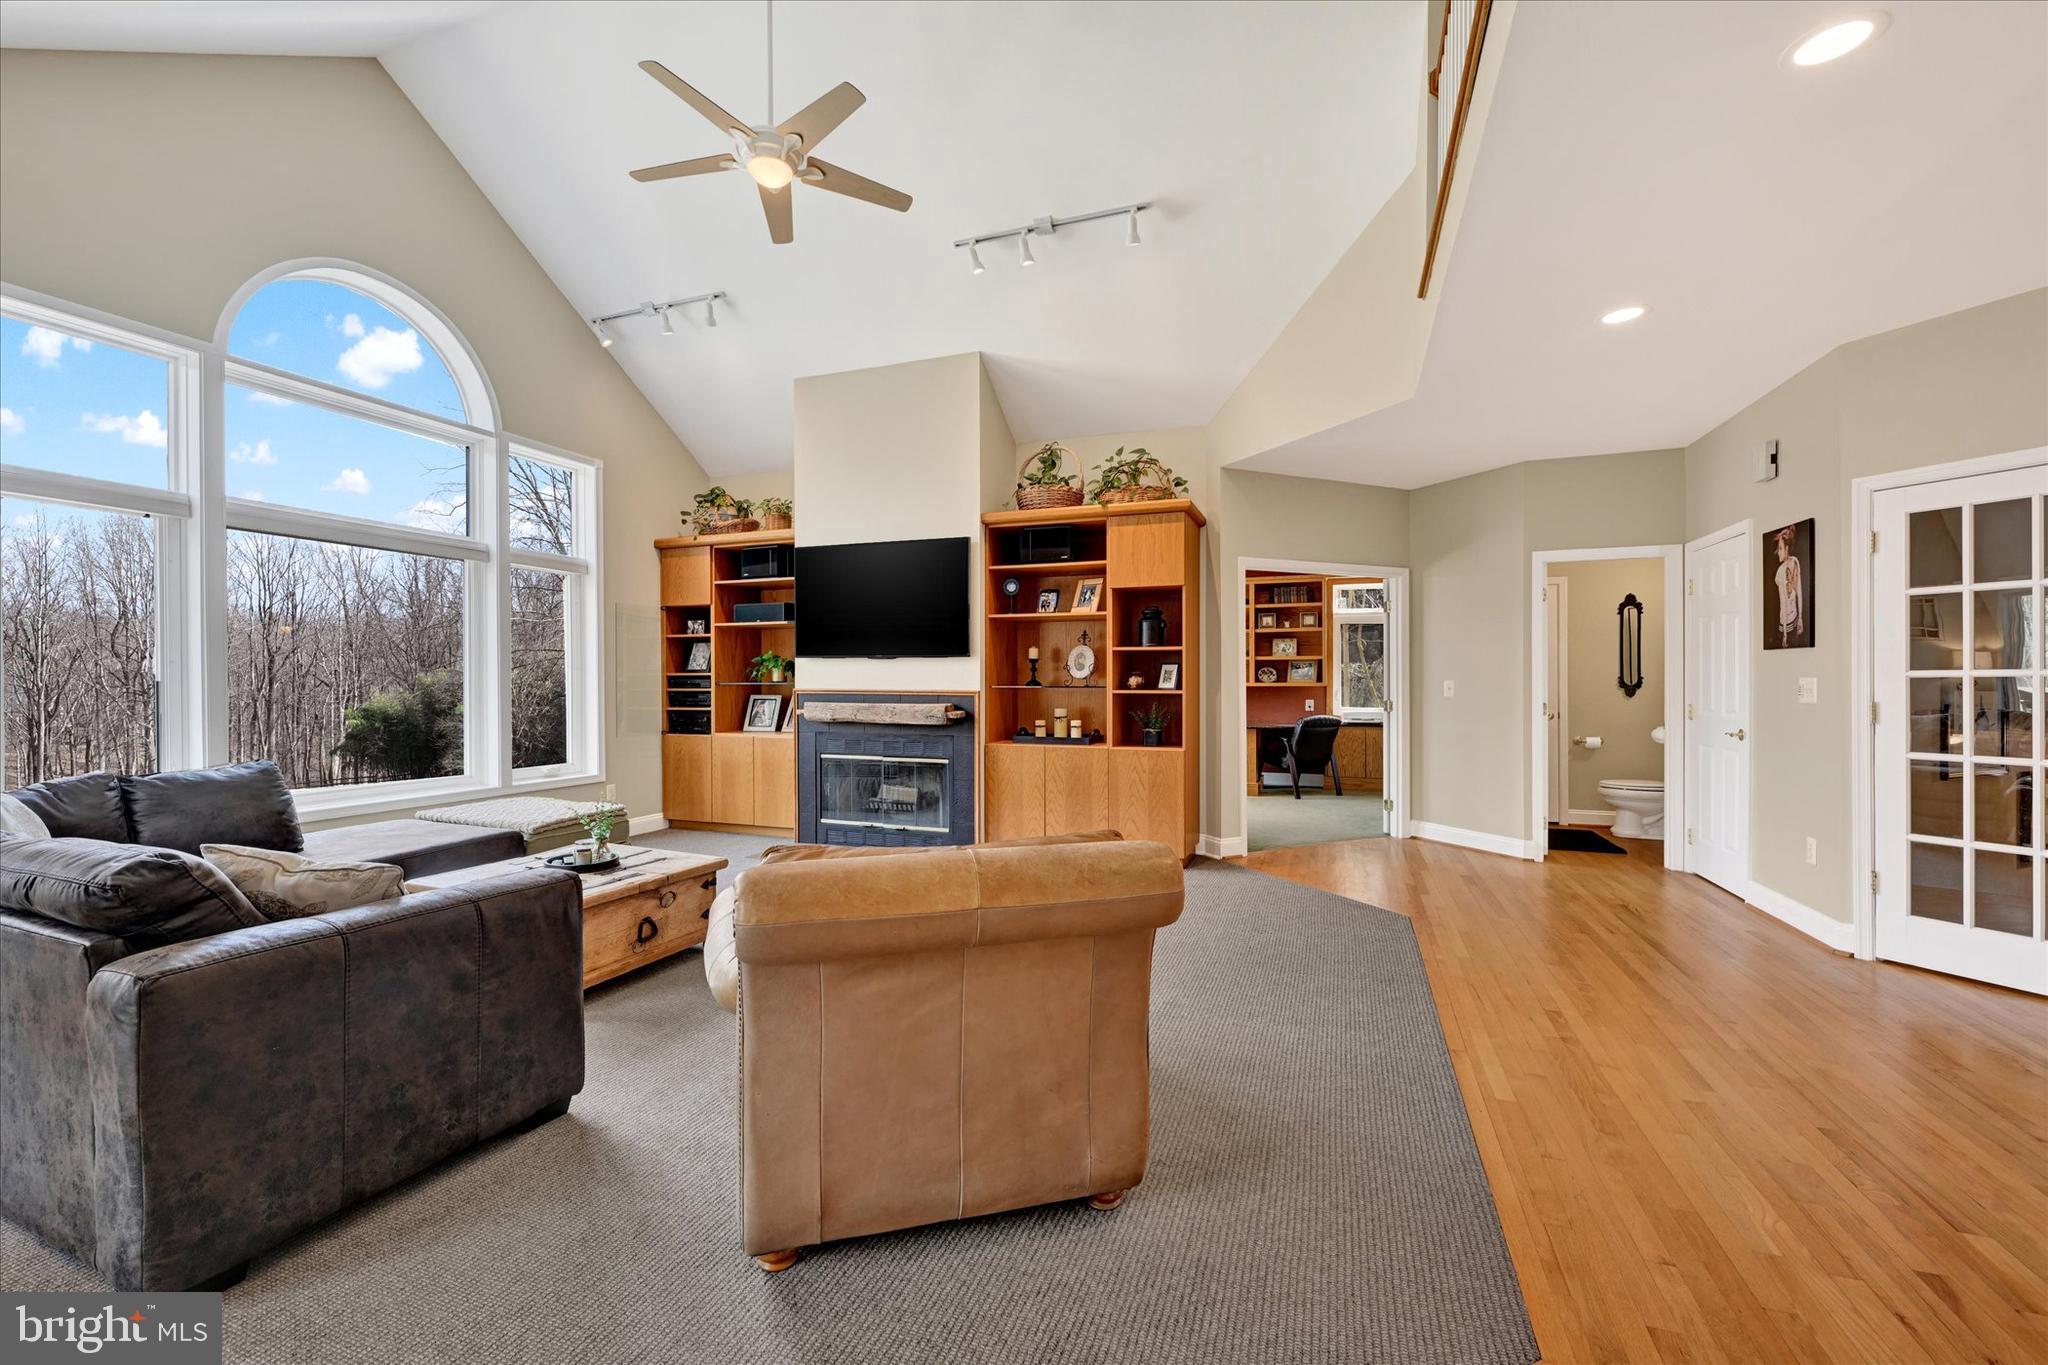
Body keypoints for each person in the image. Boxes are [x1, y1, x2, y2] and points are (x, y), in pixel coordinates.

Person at [1773, 527, 1805, 647]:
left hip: (1786, 625)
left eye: (1780, 548)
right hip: (1794, 619)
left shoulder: (1780, 571)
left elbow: (1784, 603)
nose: (1778, 552)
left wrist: (1785, 635)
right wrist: (1800, 617)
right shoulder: (1795, 562)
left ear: (1787, 549)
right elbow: (1799, 592)